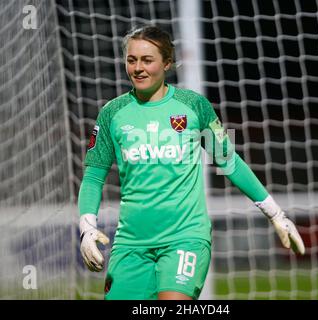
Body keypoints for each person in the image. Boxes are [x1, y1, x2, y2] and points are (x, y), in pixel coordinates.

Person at [78, 25, 305, 300]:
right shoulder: (112, 113)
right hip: (131, 245)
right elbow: (93, 177)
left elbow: (229, 162)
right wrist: (87, 228)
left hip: (184, 238)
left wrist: (274, 213)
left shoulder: (193, 106)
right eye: (132, 60)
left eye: (147, 60)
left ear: (167, 63)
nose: (138, 68)